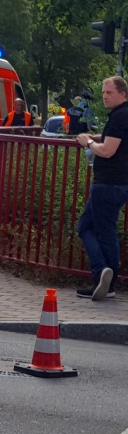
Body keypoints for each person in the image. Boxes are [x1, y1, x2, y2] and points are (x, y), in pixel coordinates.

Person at [74, 75, 128, 301]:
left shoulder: (119, 116)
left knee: (97, 231)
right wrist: (96, 137)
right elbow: (114, 140)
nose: (105, 96)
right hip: (120, 182)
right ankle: (106, 279)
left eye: (110, 93)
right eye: (104, 92)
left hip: (107, 183)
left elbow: (107, 150)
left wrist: (88, 143)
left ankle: (103, 273)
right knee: (90, 227)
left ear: (123, 94)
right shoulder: (122, 115)